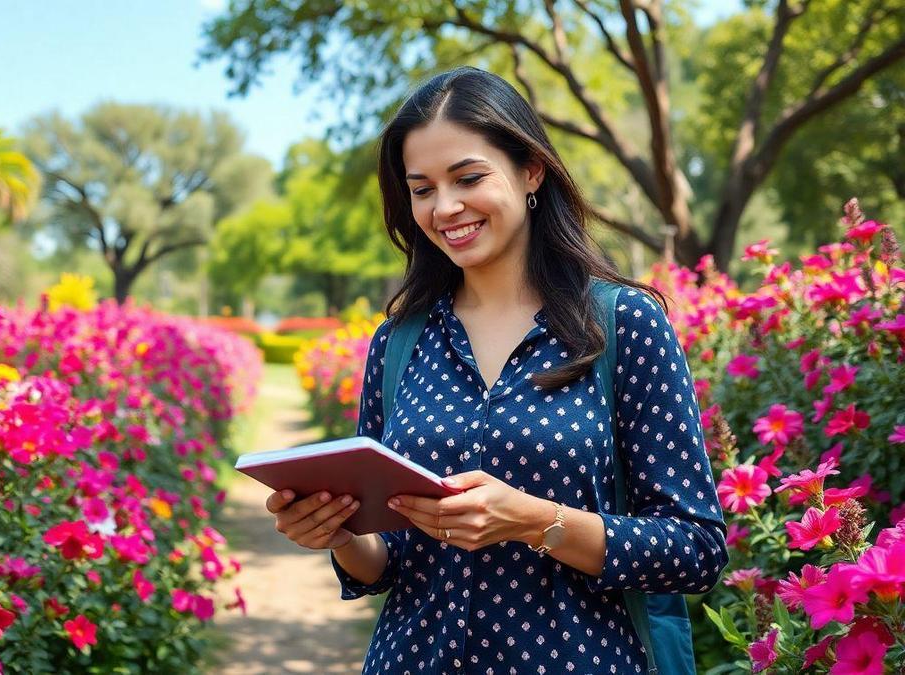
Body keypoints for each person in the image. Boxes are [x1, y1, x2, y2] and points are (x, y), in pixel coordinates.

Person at [263, 66, 728, 674]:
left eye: (468, 177)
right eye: (421, 188)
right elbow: (389, 564)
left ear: (531, 170)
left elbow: (694, 549)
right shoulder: (398, 343)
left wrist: (536, 522)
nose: (445, 206)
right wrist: (340, 535)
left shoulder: (624, 325)